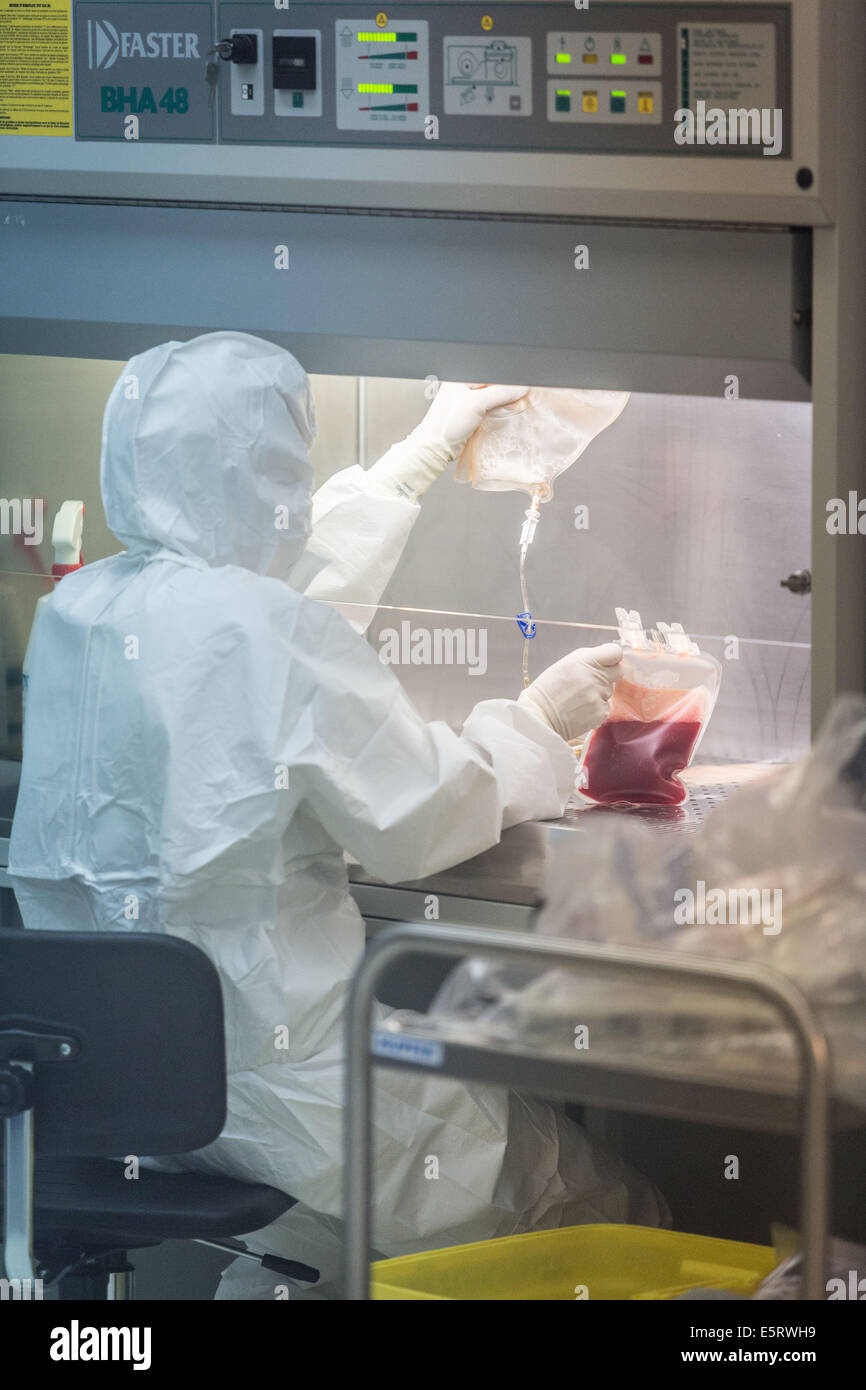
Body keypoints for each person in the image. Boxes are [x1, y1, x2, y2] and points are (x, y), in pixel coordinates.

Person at [9, 332, 668, 1299]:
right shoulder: (269, 632)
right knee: (592, 1207)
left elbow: (268, 613)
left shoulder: (81, 616)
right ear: (270, 471)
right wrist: (538, 724)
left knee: (309, 1262)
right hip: (296, 1096)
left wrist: (421, 454)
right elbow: (420, 815)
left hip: (119, 1095)